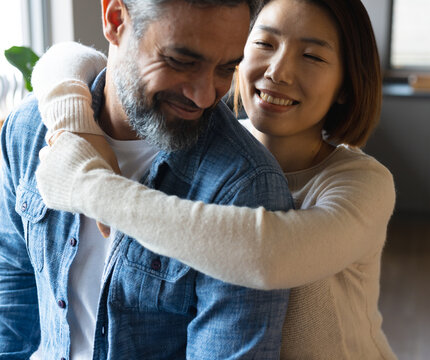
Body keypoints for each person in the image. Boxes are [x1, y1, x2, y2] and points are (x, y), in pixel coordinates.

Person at [35, 0, 397, 358]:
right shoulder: (204, 139)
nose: (278, 71)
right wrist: (75, 126)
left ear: (346, 85)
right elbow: (70, 60)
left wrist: (89, 186)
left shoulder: (363, 185)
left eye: (313, 56)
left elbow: (266, 256)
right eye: (264, 44)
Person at [0, 0, 294, 359]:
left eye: (225, 68)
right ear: (115, 20)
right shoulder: (30, 130)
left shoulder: (244, 189)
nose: (204, 96)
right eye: (181, 61)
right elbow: (13, 286)